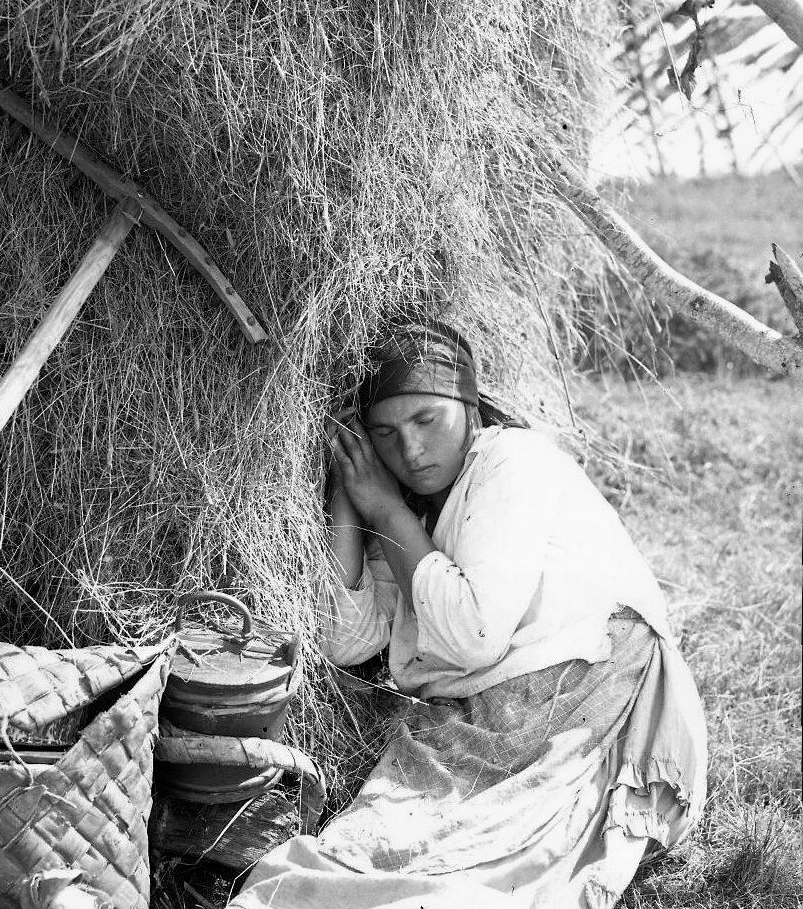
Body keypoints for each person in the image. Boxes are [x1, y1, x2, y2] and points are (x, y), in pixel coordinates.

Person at [231, 320, 707, 909]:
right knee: (358, 864)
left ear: (469, 406)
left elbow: (474, 635)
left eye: (426, 421)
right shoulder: (414, 511)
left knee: (466, 879)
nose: (410, 450)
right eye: (384, 434)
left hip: (581, 691)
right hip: (485, 712)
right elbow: (346, 640)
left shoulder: (513, 461)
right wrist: (350, 497)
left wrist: (385, 508)